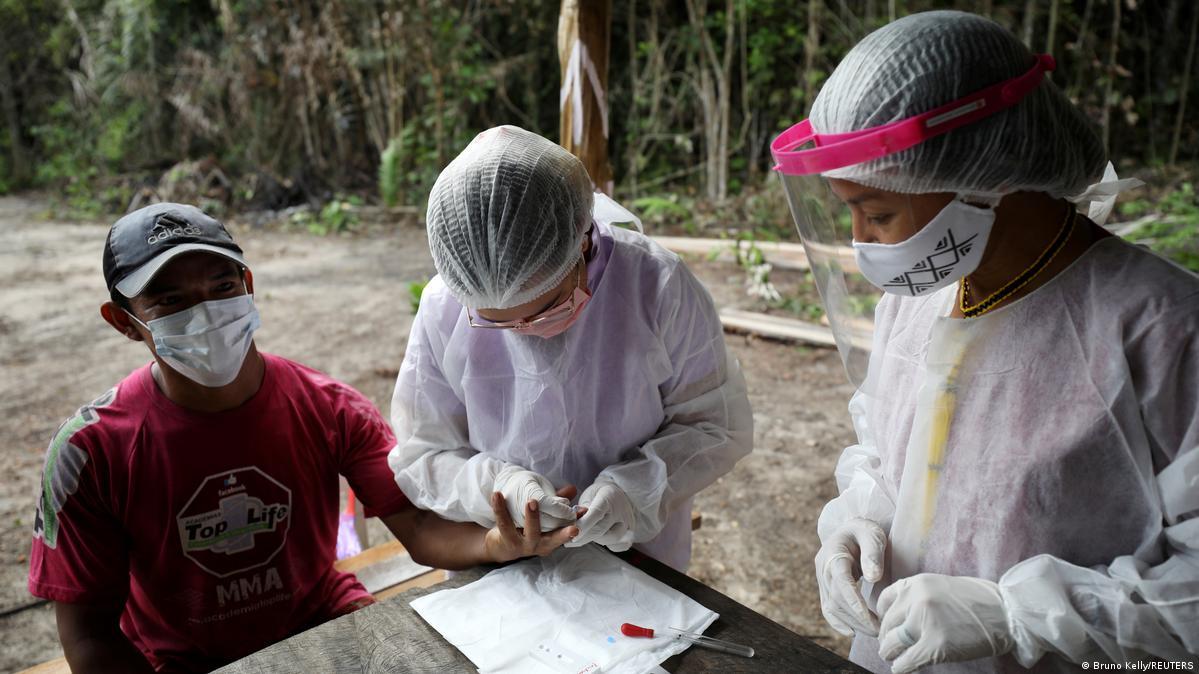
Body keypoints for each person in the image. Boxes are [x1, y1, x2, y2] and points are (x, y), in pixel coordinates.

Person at [769, 10, 1199, 674]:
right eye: (847, 210)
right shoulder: (915, 303)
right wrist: (855, 527)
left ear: (990, 176)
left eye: (878, 213)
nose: (861, 242)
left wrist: (1014, 616)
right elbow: (886, 455)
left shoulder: (1163, 328)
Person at [27, 203, 574, 673]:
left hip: (323, 626)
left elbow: (419, 524)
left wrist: (496, 545)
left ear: (248, 287)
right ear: (124, 322)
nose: (206, 313)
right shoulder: (89, 453)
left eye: (221, 287)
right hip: (183, 661)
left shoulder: (328, 407)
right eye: (170, 302)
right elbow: (90, 633)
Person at [388, 125, 753, 572]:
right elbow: (423, 452)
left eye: (545, 309)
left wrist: (634, 492)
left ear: (582, 242)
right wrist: (498, 487)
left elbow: (715, 424)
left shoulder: (657, 286)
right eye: (499, 322)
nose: (526, 332)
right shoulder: (445, 307)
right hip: (501, 565)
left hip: (638, 558)